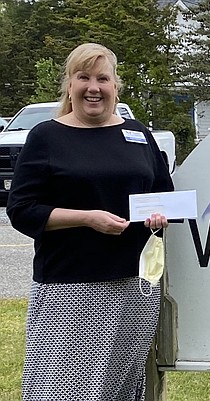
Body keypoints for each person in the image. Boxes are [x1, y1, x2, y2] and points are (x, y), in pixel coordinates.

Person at [7, 43, 174, 400]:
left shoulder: (137, 134)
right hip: (68, 289)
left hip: (134, 287)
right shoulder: (46, 137)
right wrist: (86, 218)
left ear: (116, 85)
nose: (93, 87)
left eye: (103, 78)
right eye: (83, 77)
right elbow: (22, 209)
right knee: (61, 389)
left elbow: (162, 192)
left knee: (121, 388)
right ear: (69, 84)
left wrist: (159, 217)